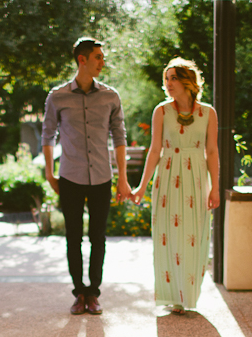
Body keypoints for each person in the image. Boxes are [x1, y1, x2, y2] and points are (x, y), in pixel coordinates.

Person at [42, 37, 133, 315]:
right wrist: (49, 173)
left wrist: (123, 178)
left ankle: (93, 293)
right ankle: (78, 292)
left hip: (102, 178)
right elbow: (47, 136)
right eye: (98, 57)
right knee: (73, 237)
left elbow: (120, 137)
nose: (102, 62)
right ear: (82, 59)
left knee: (98, 237)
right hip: (69, 177)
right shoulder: (57, 97)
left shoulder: (110, 96)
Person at [132, 57, 220, 314]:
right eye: (166, 78)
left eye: (174, 78)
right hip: (168, 177)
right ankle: (172, 295)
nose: (168, 83)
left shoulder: (208, 113)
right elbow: (155, 150)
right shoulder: (161, 111)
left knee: (194, 235)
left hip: (196, 179)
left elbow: (212, 151)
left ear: (187, 82)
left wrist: (215, 187)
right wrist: (141, 186)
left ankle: (189, 294)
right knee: (167, 235)